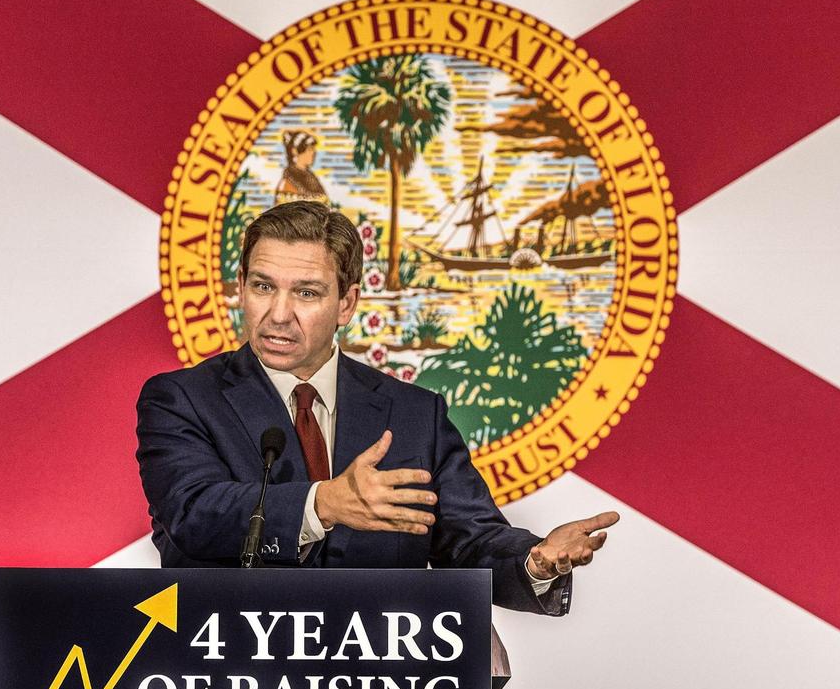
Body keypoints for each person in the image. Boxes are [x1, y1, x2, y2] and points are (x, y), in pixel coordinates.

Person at [136, 201, 618, 615]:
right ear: (240, 285)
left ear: (346, 304)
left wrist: (533, 559)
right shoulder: (182, 399)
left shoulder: (414, 415)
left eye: (306, 292)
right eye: (263, 287)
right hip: (232, 688)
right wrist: (323, 503)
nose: (278, 313)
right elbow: (193, 515)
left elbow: (468, 540)